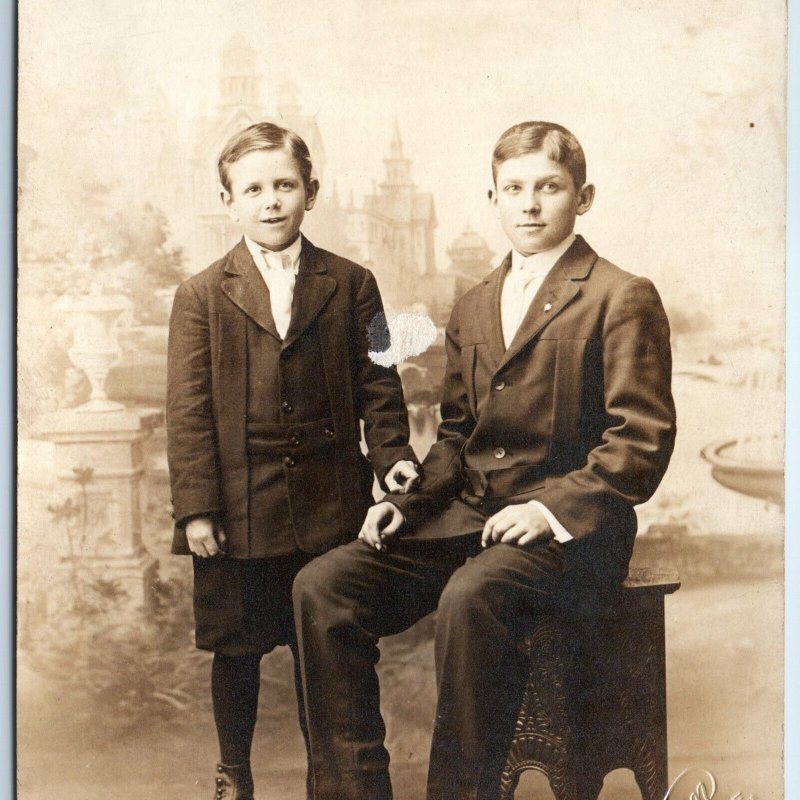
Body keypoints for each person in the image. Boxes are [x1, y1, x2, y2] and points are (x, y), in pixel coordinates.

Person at [292, 121, 677, 800]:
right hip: (468, 515)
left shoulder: (621, 294)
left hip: (572, 535)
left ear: (582, 198)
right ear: (493, 198)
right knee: (323, 587)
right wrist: (405, 505)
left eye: (549, 187)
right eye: (515, 189)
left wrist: (547, 509)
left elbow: (638, 441)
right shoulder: (471, 304)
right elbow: (457, 435)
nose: (530, 204)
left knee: (471, 597)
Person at [166, 121, 419, 800]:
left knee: (326, 652)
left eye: (285, 184)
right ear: (228, 200)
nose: (271, 200)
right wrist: (197, 509)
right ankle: (233, 773)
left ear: (312, 191)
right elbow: (187, 412)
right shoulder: (200, 295)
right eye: (253, 189)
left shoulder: (354, 283)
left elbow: (381, 389)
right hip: (239, 507)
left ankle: (332, 779)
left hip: (330, 505)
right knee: (236, 648)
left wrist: (392, 459)